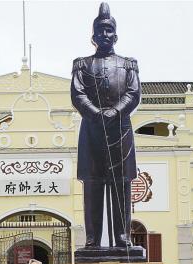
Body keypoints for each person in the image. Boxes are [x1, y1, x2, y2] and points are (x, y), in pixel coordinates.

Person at [71, 2, 141, 248]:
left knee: (121, 184)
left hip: (120, 131)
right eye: (100, 31)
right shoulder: (82, 64)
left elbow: (133, 93)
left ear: (116, 35)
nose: (105, 35)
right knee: (93, 184)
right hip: (91, 132)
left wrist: (115, 112)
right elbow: (78, 95)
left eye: (109, 30)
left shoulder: (128, 64)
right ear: (93, 37)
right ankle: (92, 239)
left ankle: (122, 236)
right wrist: (96, 114)